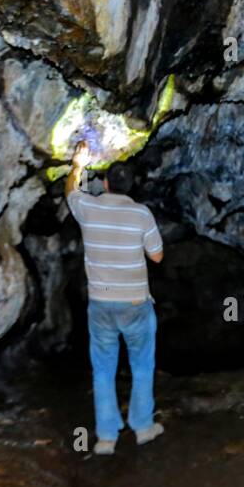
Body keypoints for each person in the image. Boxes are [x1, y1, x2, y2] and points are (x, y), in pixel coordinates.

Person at [64, 141, 165, 455]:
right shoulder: (141, 214)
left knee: (104, 369)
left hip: (101, 305)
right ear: (131, 187)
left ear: (105, 183)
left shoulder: (88, 208)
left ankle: (106, 437)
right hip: (135, 303)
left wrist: (78, 164)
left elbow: (69, 190)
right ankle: (143, 427)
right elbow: (158, 256)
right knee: (142, 366)